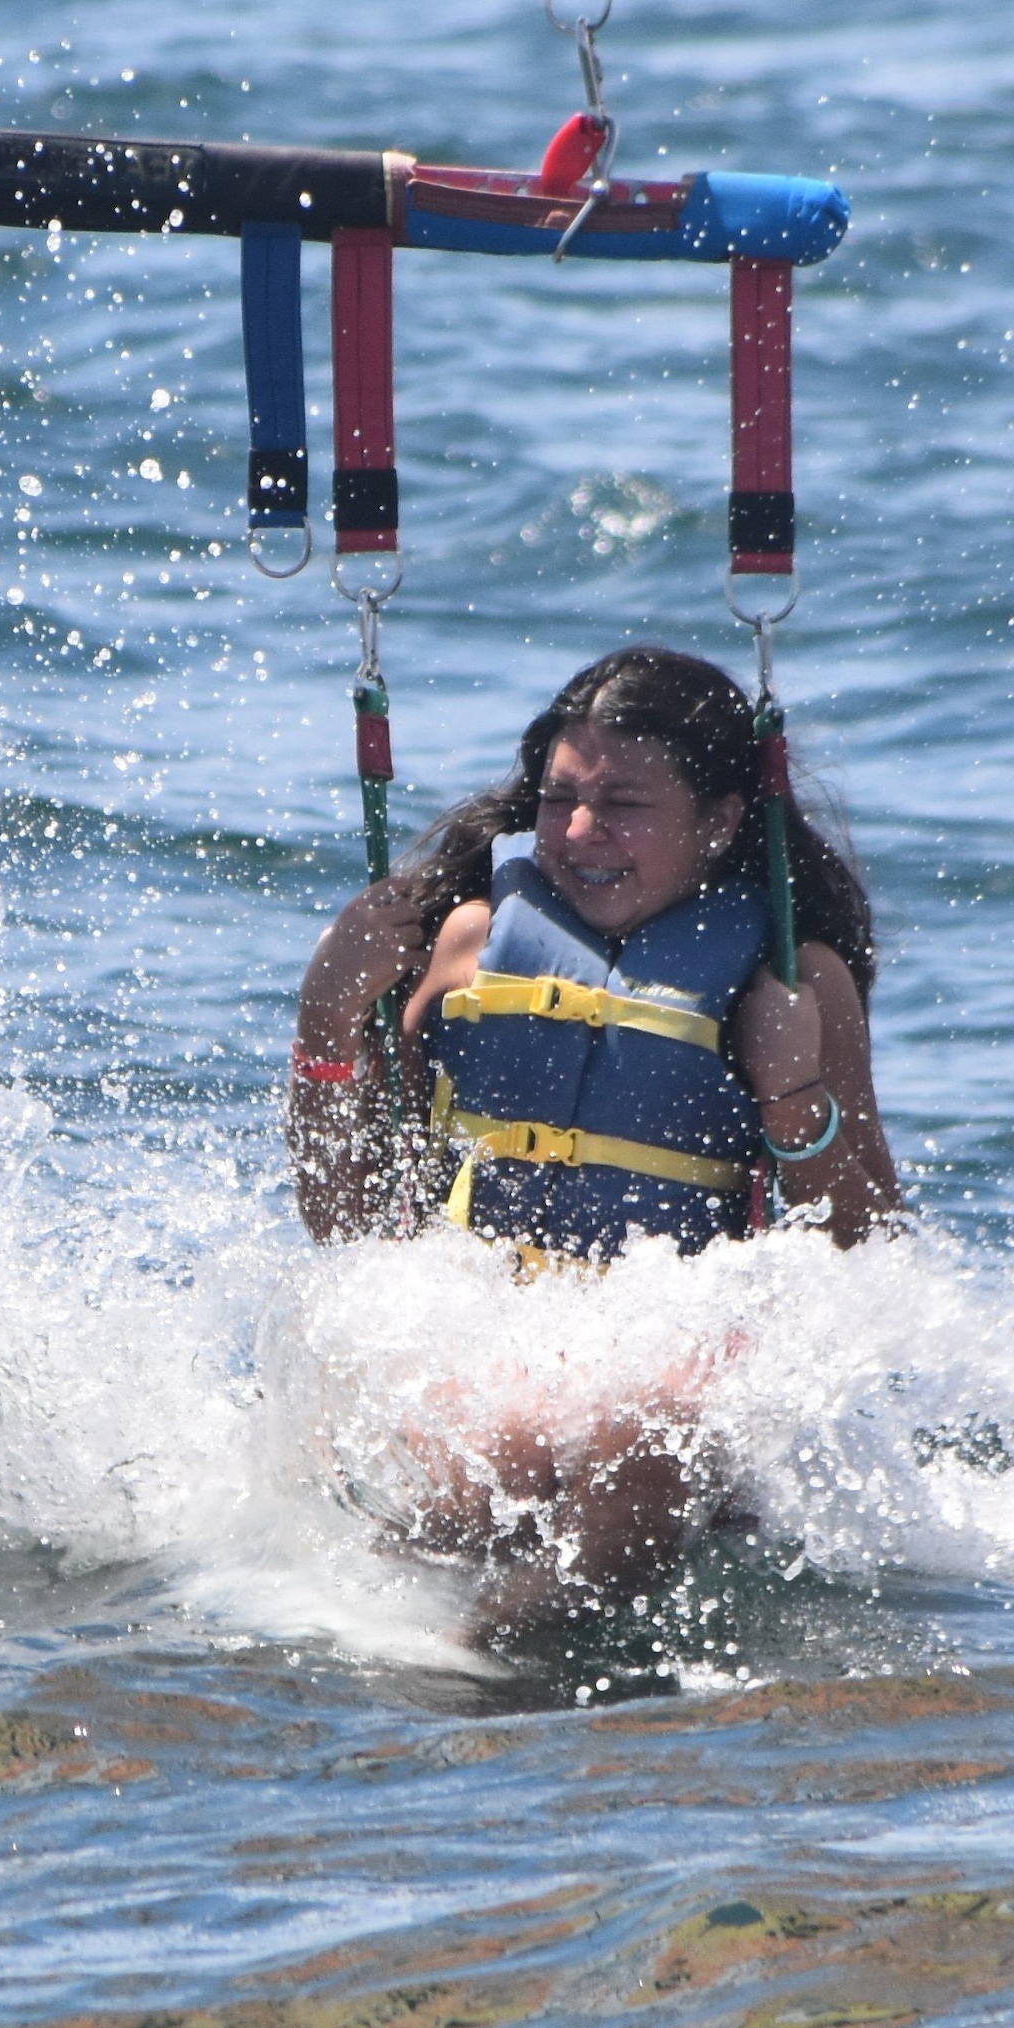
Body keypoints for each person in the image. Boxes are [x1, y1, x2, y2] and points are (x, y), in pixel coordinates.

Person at [283, 644, 900, 1615]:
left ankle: (479, 1673)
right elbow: (348, 1221)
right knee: (494, 1459)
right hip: (488, 1326)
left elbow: (865, 1251)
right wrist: (323, 1023)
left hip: (675, 1344)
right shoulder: (467, 944)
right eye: (556, 799)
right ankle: (439, 1658)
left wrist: (792, 1098)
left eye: (621, 806)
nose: (576, 833)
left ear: (719, 823)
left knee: (645, 1442)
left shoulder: (792, 976)